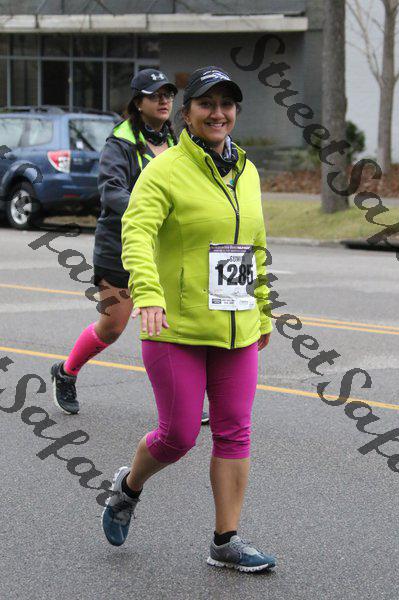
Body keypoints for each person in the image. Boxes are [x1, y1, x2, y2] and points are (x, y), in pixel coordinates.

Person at [101, 66, 276, 573]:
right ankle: (128, 486)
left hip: (235, 324)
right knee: (178, 436)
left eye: (227, 104)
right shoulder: (165, 169)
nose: (218, 113)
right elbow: (136, 232)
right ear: (187, 113)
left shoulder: (246, 169)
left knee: (234, 432)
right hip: (174, 326)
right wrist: (149, 295)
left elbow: (255, 245)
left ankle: (226, 540)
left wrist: (263, 308)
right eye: (206, 104)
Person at [49, 69, 201, 415]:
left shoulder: (178, 141)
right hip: (119, 247)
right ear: (138, 102)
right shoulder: (120, 143)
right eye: (154, 95)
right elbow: (111, 191)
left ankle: (185, 400)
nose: (163, 100)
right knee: (113, 325)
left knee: (171, 325)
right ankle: (66, 371)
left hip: (164, 248)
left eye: (168, 94)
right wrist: (152, 211)